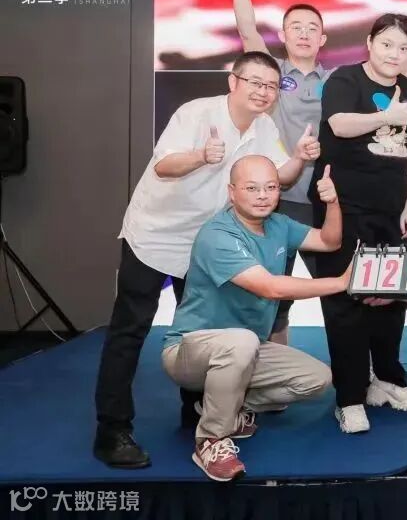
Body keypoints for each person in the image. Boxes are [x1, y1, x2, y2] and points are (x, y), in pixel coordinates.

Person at [93, 52, 321, 468]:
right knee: (129, 330)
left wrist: (301, 157)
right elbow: (163, 165)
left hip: (206, 244)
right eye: (254, 82)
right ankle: (112, 429)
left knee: (205, 330)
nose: (263, 92)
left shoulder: (264, 126)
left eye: (271, 86)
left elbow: (278, 176)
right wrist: (202, 155)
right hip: (156, 236)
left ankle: (196, 412)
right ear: (233, 81)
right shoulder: (196, 113)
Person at [228, 0, 407, 345]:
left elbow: (392, 83)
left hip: (329, 200)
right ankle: (271, 368)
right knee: (271, 295)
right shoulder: (272, 76)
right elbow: (247, 35)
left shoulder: (339, 79)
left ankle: (362, 370)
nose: (304, 34)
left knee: (347, 288)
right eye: (296, 27)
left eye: (313, 28)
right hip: (278, 198)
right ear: (283, 35)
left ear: (323, 39)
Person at [161, 155, 346, 481]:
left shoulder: (278, 225)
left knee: (317, 379)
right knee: (242, 341)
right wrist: (342, 283)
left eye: (270, 187)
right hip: (188, 350)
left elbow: (330, 241)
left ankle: (224, 406)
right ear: (232, 192)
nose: (263, 195)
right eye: (252, 188)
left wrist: (332, 202)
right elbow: (271, 288)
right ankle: (211, 440)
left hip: (245, 350)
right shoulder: (218, 234)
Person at [312, 13, 407, 433]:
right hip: (344, 208)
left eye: (403, 47)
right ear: (369, 43)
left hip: (392, 210)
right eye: (387, 44)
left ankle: (388, 380)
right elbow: (339, 125)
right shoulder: (345, 80)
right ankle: (349, 396)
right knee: (346, 300)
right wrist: (385, 117)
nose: (394, 54)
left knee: (392, 297)